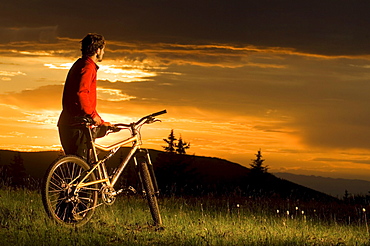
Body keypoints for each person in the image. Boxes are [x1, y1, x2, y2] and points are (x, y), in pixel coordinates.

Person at [57, 33, 111, 161]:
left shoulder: (81, 64)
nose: (103, 53)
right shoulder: (87, 67)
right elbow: (81, 94)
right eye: (103, 50)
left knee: (80, 167)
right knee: (82, 169)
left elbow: (85, 99)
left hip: (70, 123)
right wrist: (92, 116)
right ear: (98, 50)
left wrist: (100, 121)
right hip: (77, 125)